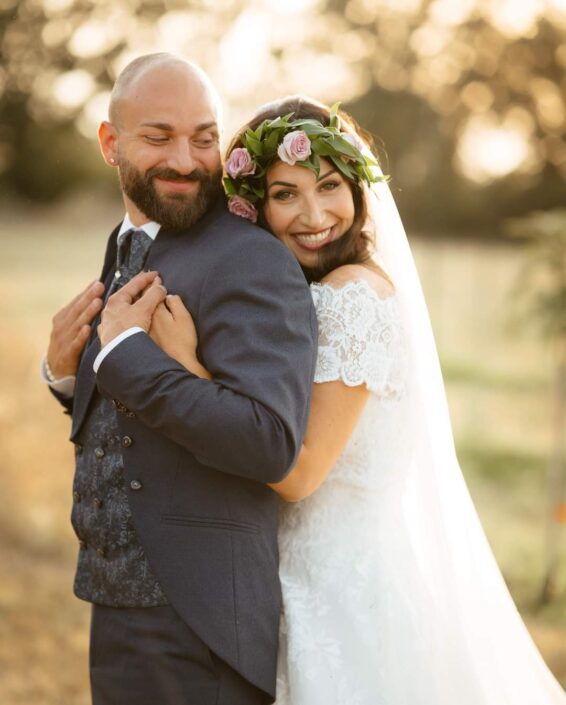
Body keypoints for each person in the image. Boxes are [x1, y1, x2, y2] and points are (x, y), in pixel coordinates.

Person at [147, 96, 566, 704]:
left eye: (329, 187)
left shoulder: (351, 297)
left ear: (359, 189)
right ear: (253, 207)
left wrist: (186, 369)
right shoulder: (310, 292)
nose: (313, 215)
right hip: (304, 577)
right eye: (285, 194)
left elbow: (301, 473)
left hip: (345, 594)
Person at [43, 54, 317, 705]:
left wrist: (131, 360)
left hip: (199, 622)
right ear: (112, 145)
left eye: (203, 136)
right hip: (116, 603)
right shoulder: (130, 239)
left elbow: (267, 440)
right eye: (159, 137)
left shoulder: (252, 260)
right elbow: (130, 409)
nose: (189, 160)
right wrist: (63, 375)